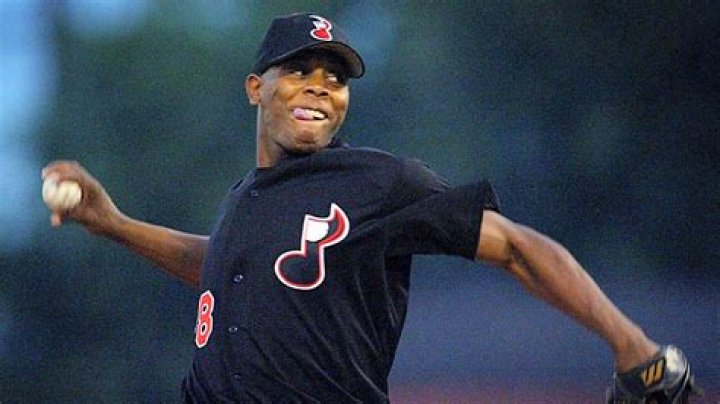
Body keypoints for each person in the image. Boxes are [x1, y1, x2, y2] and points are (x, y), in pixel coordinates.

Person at [42, 12, 700, 403]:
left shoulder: (375, 183)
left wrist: (635, 348)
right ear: (255, 88)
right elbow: (223, 268)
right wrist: (113, 224)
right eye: (300, 71)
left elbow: (519, 248)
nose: (320, 88)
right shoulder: (244, 199)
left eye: (334, 79)